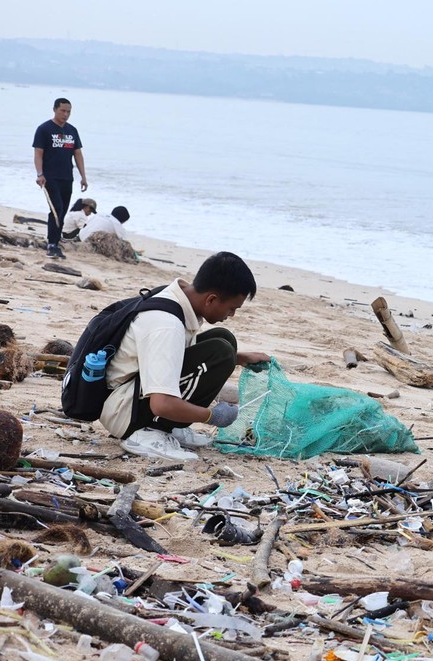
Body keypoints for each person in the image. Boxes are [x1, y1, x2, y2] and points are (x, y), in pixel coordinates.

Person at [99, 251, 271, 461]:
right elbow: (161, 404)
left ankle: (172, 426)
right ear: (211, 299)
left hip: (129, 391)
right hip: (124, 413)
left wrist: (240, 358)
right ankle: (150, 431)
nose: (231, 315)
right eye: (231, 308)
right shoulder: (167, 325)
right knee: (221, 353)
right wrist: (212, 416)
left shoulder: (177, 298)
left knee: (224, 341)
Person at [33, 98, 88, 259]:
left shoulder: (72, 130)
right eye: (63, 111)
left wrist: (83, 176)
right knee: (56, 209)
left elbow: (78, 154)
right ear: (55, 109)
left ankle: (56, 242)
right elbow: (38, 153)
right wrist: (39, 174)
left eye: (68, 111)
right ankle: (52, 244)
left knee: (63, 211)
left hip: (67, 177)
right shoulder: (44, 129)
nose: (66, 114)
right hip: (50, 177)